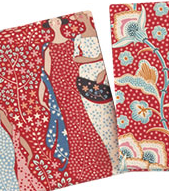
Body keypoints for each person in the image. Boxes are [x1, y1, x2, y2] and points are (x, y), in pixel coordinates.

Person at [39, 17, 112, 180]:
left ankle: (99, 162)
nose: (55, 23)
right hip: (60, 88)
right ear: (49, 25)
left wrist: (97, 62)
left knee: (85, 119)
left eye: (57, 21)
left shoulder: (73, 41)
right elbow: (46, 73)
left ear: (61, 22)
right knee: (71, 125)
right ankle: (80, 166)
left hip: (76, 83)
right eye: (51, 22)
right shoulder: (49, 47)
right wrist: (41, 92)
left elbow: (80, 60)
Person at [71, 12, 120, 173]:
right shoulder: (79, 37)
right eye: (78, 15)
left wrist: (104, 72)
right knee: (97, 119)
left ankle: (119, 160)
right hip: (87, 77)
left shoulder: (103, 30)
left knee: (111, 119)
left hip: (102, 74)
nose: (80, 16)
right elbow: (76, 58)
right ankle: (113, 162)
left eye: (82, 14)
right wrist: (97, 58)